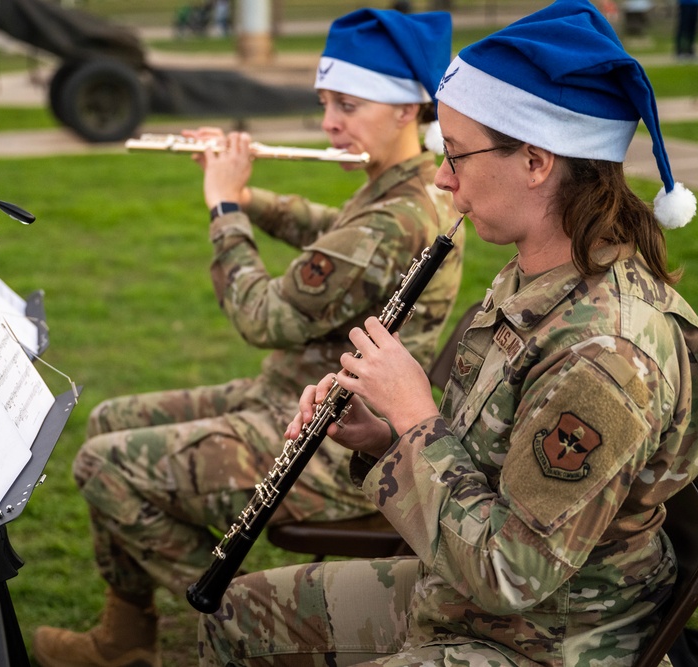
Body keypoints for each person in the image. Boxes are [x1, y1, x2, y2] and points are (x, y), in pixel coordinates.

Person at [198, 0, 698, 664]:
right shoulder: (535, 271)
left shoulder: (607, 355)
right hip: (460, 591)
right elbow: (488, 460)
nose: (441, 176)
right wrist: (385, 434)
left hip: (542, 638)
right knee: (232, 616)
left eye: (456, 154)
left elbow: (513, 572)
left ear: (535, 161)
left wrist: (415, 416)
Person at [31, 9, 463, 667]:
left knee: (101, 465)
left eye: (348, 103)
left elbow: (262, 317)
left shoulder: (398, 217)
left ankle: (245, 612)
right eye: (324, 103)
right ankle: (126, 639)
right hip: (289, 400)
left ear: (407, 108)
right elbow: (328, 229)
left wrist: (224, 206)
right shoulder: (397, 190)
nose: (329, 124)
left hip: (328, 444)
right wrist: (250, 190)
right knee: (108, 420)